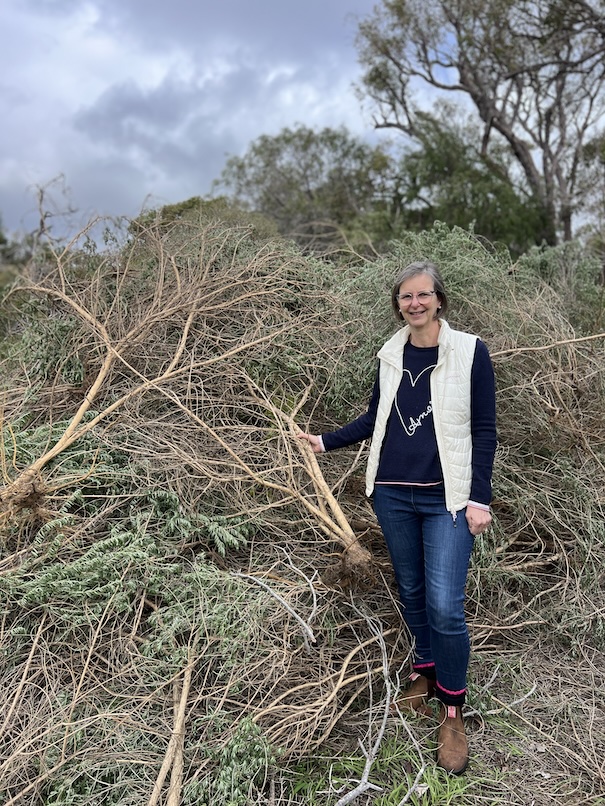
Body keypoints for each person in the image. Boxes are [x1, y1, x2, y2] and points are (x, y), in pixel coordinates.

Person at [298, 261, 496, 775]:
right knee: (410, 589)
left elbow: (485, 430)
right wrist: (325, 441)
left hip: (448, 499)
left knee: (446, 605)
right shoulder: (391, 354)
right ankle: (424, 671)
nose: (414, 304)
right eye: (405, 298)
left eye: (422, 295)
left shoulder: (471, 352)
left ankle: (452, 708)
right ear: (399, 304)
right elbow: (375, 418)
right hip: (392, 493)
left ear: (439, 300)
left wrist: (480, 498)